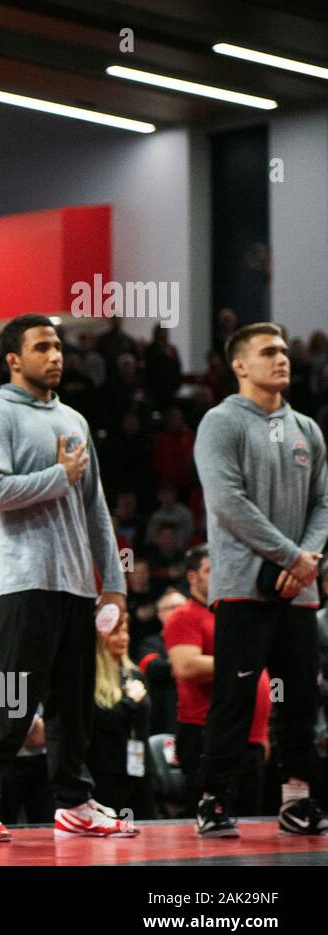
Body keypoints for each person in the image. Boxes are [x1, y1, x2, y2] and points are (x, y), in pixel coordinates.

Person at [0, 313, 133, 841]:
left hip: (77, 582)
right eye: (42, 347)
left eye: (58, 346)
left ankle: (75, 801)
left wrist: (115, 583)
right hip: (24, 580)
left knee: (72, 703)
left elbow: (96, 508)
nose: (55, 356)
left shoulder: (76, 421)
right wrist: (59, 475)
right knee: (9, 694)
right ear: (14, 359)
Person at [193, 322, 328, 837]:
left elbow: (323, 503)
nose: (282, 359)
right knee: (235, 697)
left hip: (300, 589)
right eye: (269, 352)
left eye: (285, 351)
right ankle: (214, 799)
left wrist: (306, 559)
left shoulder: (307, 429)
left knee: (298, 701)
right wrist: (295, 555)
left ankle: (296, 801)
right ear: (239, 365)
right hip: (242, 587)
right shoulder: (221, 422)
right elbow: (228, 504)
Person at [165, 545, 270, 814]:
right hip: (204, 733)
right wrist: (243, 664)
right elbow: (186, 666)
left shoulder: (229, 613)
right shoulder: (185, 615)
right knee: (213, 816)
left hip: (249, 735)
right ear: (192, 577)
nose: (219, 576)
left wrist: (261, 733)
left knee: (250, 819)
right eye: (210, 570)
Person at [87, 611, 154, 822]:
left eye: (125, 631)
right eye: (116, 632)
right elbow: (99, 722)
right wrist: (130, 703)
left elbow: (143, 725)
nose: (123, 638)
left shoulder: (134, 674)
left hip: (139, 768)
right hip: (105, 772)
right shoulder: (89, 678)